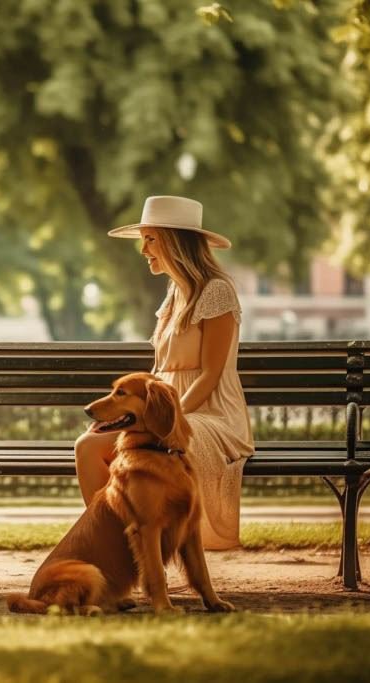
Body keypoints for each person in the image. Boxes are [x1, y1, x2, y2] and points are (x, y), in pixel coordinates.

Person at [75, 195, 254, 550]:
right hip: (164, 409)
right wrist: (129, 415)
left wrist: (172, 419)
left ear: (175, 241)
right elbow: (159, 372)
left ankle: (135, 552)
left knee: (120, 446)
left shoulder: (216, 291)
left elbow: (211, 374)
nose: (143, 250)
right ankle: (119, 552)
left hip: (208, 414)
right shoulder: (174, 293)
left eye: (151, 238)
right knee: (88, 446)